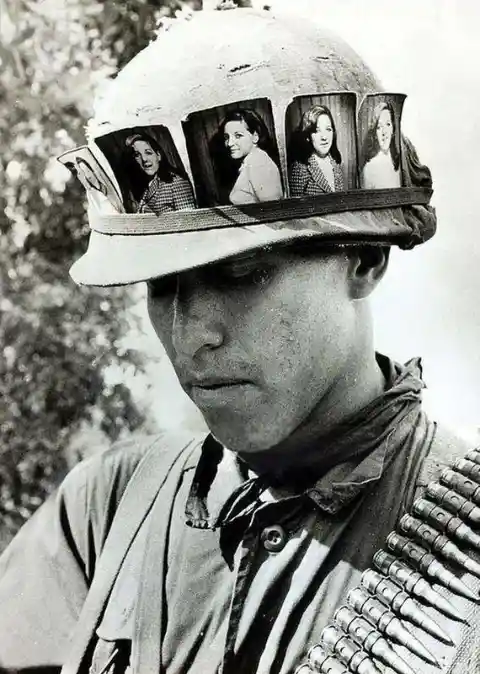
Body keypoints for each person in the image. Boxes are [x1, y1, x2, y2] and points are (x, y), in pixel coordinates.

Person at [0, 8, 477, 674]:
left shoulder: (463, 554)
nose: (193, 335)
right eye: (162, 287)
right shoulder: (106, 506)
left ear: (364, 259)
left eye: (243, 274)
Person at [218, 108, 283, 204]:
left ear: (255, 136)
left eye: (238, 136)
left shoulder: (259, 163)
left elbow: (273, 210)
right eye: (227, 137)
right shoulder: (251, 161)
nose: (230, 143)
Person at [124, 132, 196, 214]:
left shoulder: (177, 182)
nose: (144, 159)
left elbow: (188, 221)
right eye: (137, 155)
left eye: (148, 153)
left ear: (158, 156)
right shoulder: (147, 185)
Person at [289, 104, 344, 196]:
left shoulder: (335, 162)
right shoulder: (300, 168)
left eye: (328, 129)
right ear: (308, 136)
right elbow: (296, 209)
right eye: (317, 131)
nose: (324, 137)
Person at [360, 101, 401, 189]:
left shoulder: (399, 163)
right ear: (375, 134)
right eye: (379, 127)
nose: (384, 132)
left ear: (393, 129)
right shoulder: (369, 168)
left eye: (388, 124)